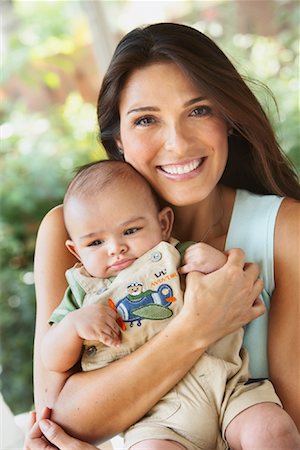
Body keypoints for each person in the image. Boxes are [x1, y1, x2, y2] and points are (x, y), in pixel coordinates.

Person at [32, 22, 300, 448]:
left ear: (228, 118)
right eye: (146, 120)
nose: (177, 143)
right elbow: (59, 417)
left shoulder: (284, 230)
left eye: (198, 110)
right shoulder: (70, 234)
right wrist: (198, 325)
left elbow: (289, 427)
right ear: (117, 139)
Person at [40, 160, 295, 449]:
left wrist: (214, 261)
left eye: (131, 230)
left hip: (228, 388)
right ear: (76, 250)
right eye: (95, 243)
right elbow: (52, 358)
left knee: (272, 430)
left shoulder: (174, 254)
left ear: (163, 224)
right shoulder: (80, 292)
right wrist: (73, 327)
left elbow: (233, 286)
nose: (115, 248)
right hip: (155, 419)